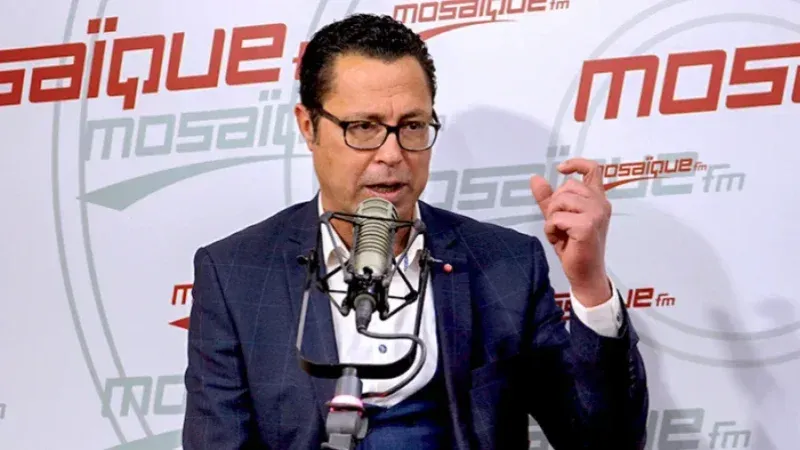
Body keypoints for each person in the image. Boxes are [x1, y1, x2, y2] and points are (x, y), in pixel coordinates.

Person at [182, 13, 648, 450]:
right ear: (309, 126)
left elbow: (604, 442)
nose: (392, 154)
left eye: (412, 126)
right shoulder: (236, 273)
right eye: (363, 127)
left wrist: (589, 285)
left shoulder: (506, 264)